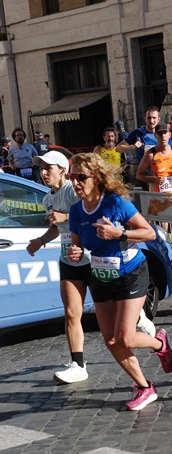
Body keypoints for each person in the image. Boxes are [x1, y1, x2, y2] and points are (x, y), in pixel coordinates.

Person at [67, 152, 172, 411]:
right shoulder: (75, 211)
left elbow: (148, 232)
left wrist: (120, 233)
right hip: (101, 277)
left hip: (131, 273)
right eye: (72, 177)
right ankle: (144, 387)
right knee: (111, 341)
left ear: (96, 178)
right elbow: (77, 247)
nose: (75, 182)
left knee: (125, 338)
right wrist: (76, 252)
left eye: (81, 177)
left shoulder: (115, 203)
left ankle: (160, 343)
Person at [26, 150, 92, 384]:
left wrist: (65, 218)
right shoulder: (48, 198)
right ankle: (78, 364)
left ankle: (140, 319)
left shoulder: (75, 190)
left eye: (48, 168)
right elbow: (57, 227)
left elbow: (89, 218)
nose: (43, 173)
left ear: (62, 170)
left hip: (92, 257)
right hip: (68, 259)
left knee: (114, 320)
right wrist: (40, 241)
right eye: (41, 168)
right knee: (72, 312)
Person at [136, 123, 172, 250]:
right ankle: (166, 258)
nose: (163, 136)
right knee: (164, 232)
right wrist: (155, 179)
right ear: (156, 136)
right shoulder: (151, 154)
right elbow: (139, 175)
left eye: (165, 133)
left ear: (169, 134)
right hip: (159, 198)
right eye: (160, 133)